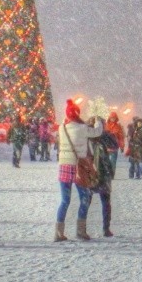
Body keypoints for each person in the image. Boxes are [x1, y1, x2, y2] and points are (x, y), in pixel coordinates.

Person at [56, 99, 94, 241]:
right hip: (79, 167)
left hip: (64, 166)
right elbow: (97, 132)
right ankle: (80, 231)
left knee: (65, 200)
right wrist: (98, 122)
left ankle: (58, 233)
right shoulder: (82, 128)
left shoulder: (62, 127)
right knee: (85, 197)